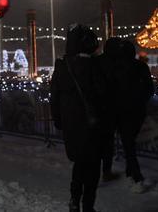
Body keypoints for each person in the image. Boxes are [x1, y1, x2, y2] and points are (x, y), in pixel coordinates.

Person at [51, 24, 106, 212]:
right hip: (93, 124)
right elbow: (102, 94)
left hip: (71, 125)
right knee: (92, 166)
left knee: (80, 163)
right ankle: (88, 206)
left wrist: (59, 120)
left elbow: (54, 97)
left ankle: (74, 199)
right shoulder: (94, 65)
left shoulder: (62, 67)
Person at [116, 40, 154, 192]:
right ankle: (130, 172)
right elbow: (149, 88)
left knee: (128, 143)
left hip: (122, 110)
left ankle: (136, 176)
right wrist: (141, 100)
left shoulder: (117, 68)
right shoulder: (141, 66)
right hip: (138, 110)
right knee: (129, 141)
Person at [98, 37, 122, 182]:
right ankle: (106, 170)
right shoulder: (117, 64)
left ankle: (96, 171)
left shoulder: (96, 62)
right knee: (107, 142)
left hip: (98, 107)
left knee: (98, 141)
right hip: (111, 107)